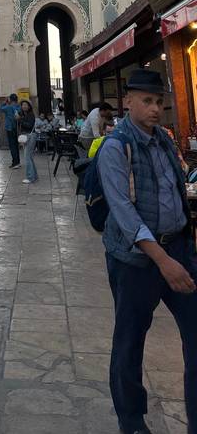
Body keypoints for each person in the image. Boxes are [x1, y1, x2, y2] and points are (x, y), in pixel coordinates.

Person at [97, 69, 197, 434]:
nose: (155, 109)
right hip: (136, 262)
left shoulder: (165, 140)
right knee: (130, 339)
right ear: (128, 101)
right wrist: (162, 260)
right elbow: (124, 213)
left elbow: (175, 187)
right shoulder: (115, 147)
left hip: (179, 250)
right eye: (147, 101)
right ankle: (131, 420)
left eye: (159, 102)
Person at [17, 100, 37, 184]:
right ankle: (34, 175)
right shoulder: (23, 114)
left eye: (26, 105)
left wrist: (20, 119)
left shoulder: (31, 115)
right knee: (29, 157)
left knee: (27, 157)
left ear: (29, 106)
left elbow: (29, 126)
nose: (24, 106)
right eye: (22, 105)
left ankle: (30, 177)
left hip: (30, 136)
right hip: (26, 136)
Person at [0, 94, 21, 168]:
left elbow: (0, 108)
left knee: (12, 146)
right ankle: (18, 161)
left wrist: (5, 102)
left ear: (10, 100)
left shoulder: (8, 107)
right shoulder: (18, 107)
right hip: (16, 128)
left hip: (9, 128)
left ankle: (15, 162)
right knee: (16, 145)